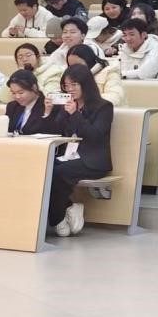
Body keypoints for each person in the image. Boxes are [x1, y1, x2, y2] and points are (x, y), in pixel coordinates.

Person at [47, 64, 114, 237]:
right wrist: (49, 113)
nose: (69, 89)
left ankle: (56, 220)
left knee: (58, 173)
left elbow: (95, 135)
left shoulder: (104, 107)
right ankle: (68, 207)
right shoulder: (66, 105)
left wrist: (75, 114)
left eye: (74, 84)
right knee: (43, 168)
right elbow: (56, 132)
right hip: (67, 156)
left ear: (86, 84)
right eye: (66, 85)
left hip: (92, 160)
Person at [4, 69, 63, 136]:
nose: (17, 97)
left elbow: (52, 133)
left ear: (34, 88)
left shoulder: (49, 106)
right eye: (13, 93)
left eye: (21, 92)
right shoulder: (12, 106)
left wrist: (47, 114)